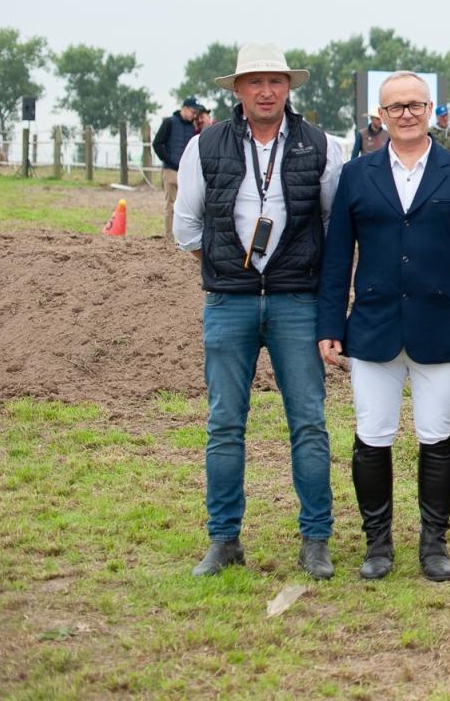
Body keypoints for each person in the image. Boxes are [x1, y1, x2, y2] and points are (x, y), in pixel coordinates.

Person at [317, 72, 450, 582]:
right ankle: (377, 544)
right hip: (374, 327)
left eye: (415, 105)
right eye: (395, 107)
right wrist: (330, 324)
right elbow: (337, 260)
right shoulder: (357, 175)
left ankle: (434, 542)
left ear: (430, 109)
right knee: (372, 436)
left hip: (441, 327)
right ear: (380, 115)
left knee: (436, 437)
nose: (405, 114)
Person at [172, 43, 344, 579]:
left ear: (289, 88)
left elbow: (335, 223)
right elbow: (187, 226)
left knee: (309, 424)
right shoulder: (205, 146)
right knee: (225, 424)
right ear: (238, 90)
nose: (265, 91)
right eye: (254, 82)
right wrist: (231, 266)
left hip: (298, 301)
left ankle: (315, 540)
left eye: (275, 81)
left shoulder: (322, 146)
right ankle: (224, 540)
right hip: (229, 302)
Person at [153, 96, 206, 240]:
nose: (194, 115)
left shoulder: (192, 127)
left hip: (185, 171)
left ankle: (183, 235)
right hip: (170, 170)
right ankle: (169, 235)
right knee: (171, 203)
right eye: (193, 112)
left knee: (186, 204)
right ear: (185, 108)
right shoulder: (169, 122)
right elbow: (157, 144)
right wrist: (169, 160)